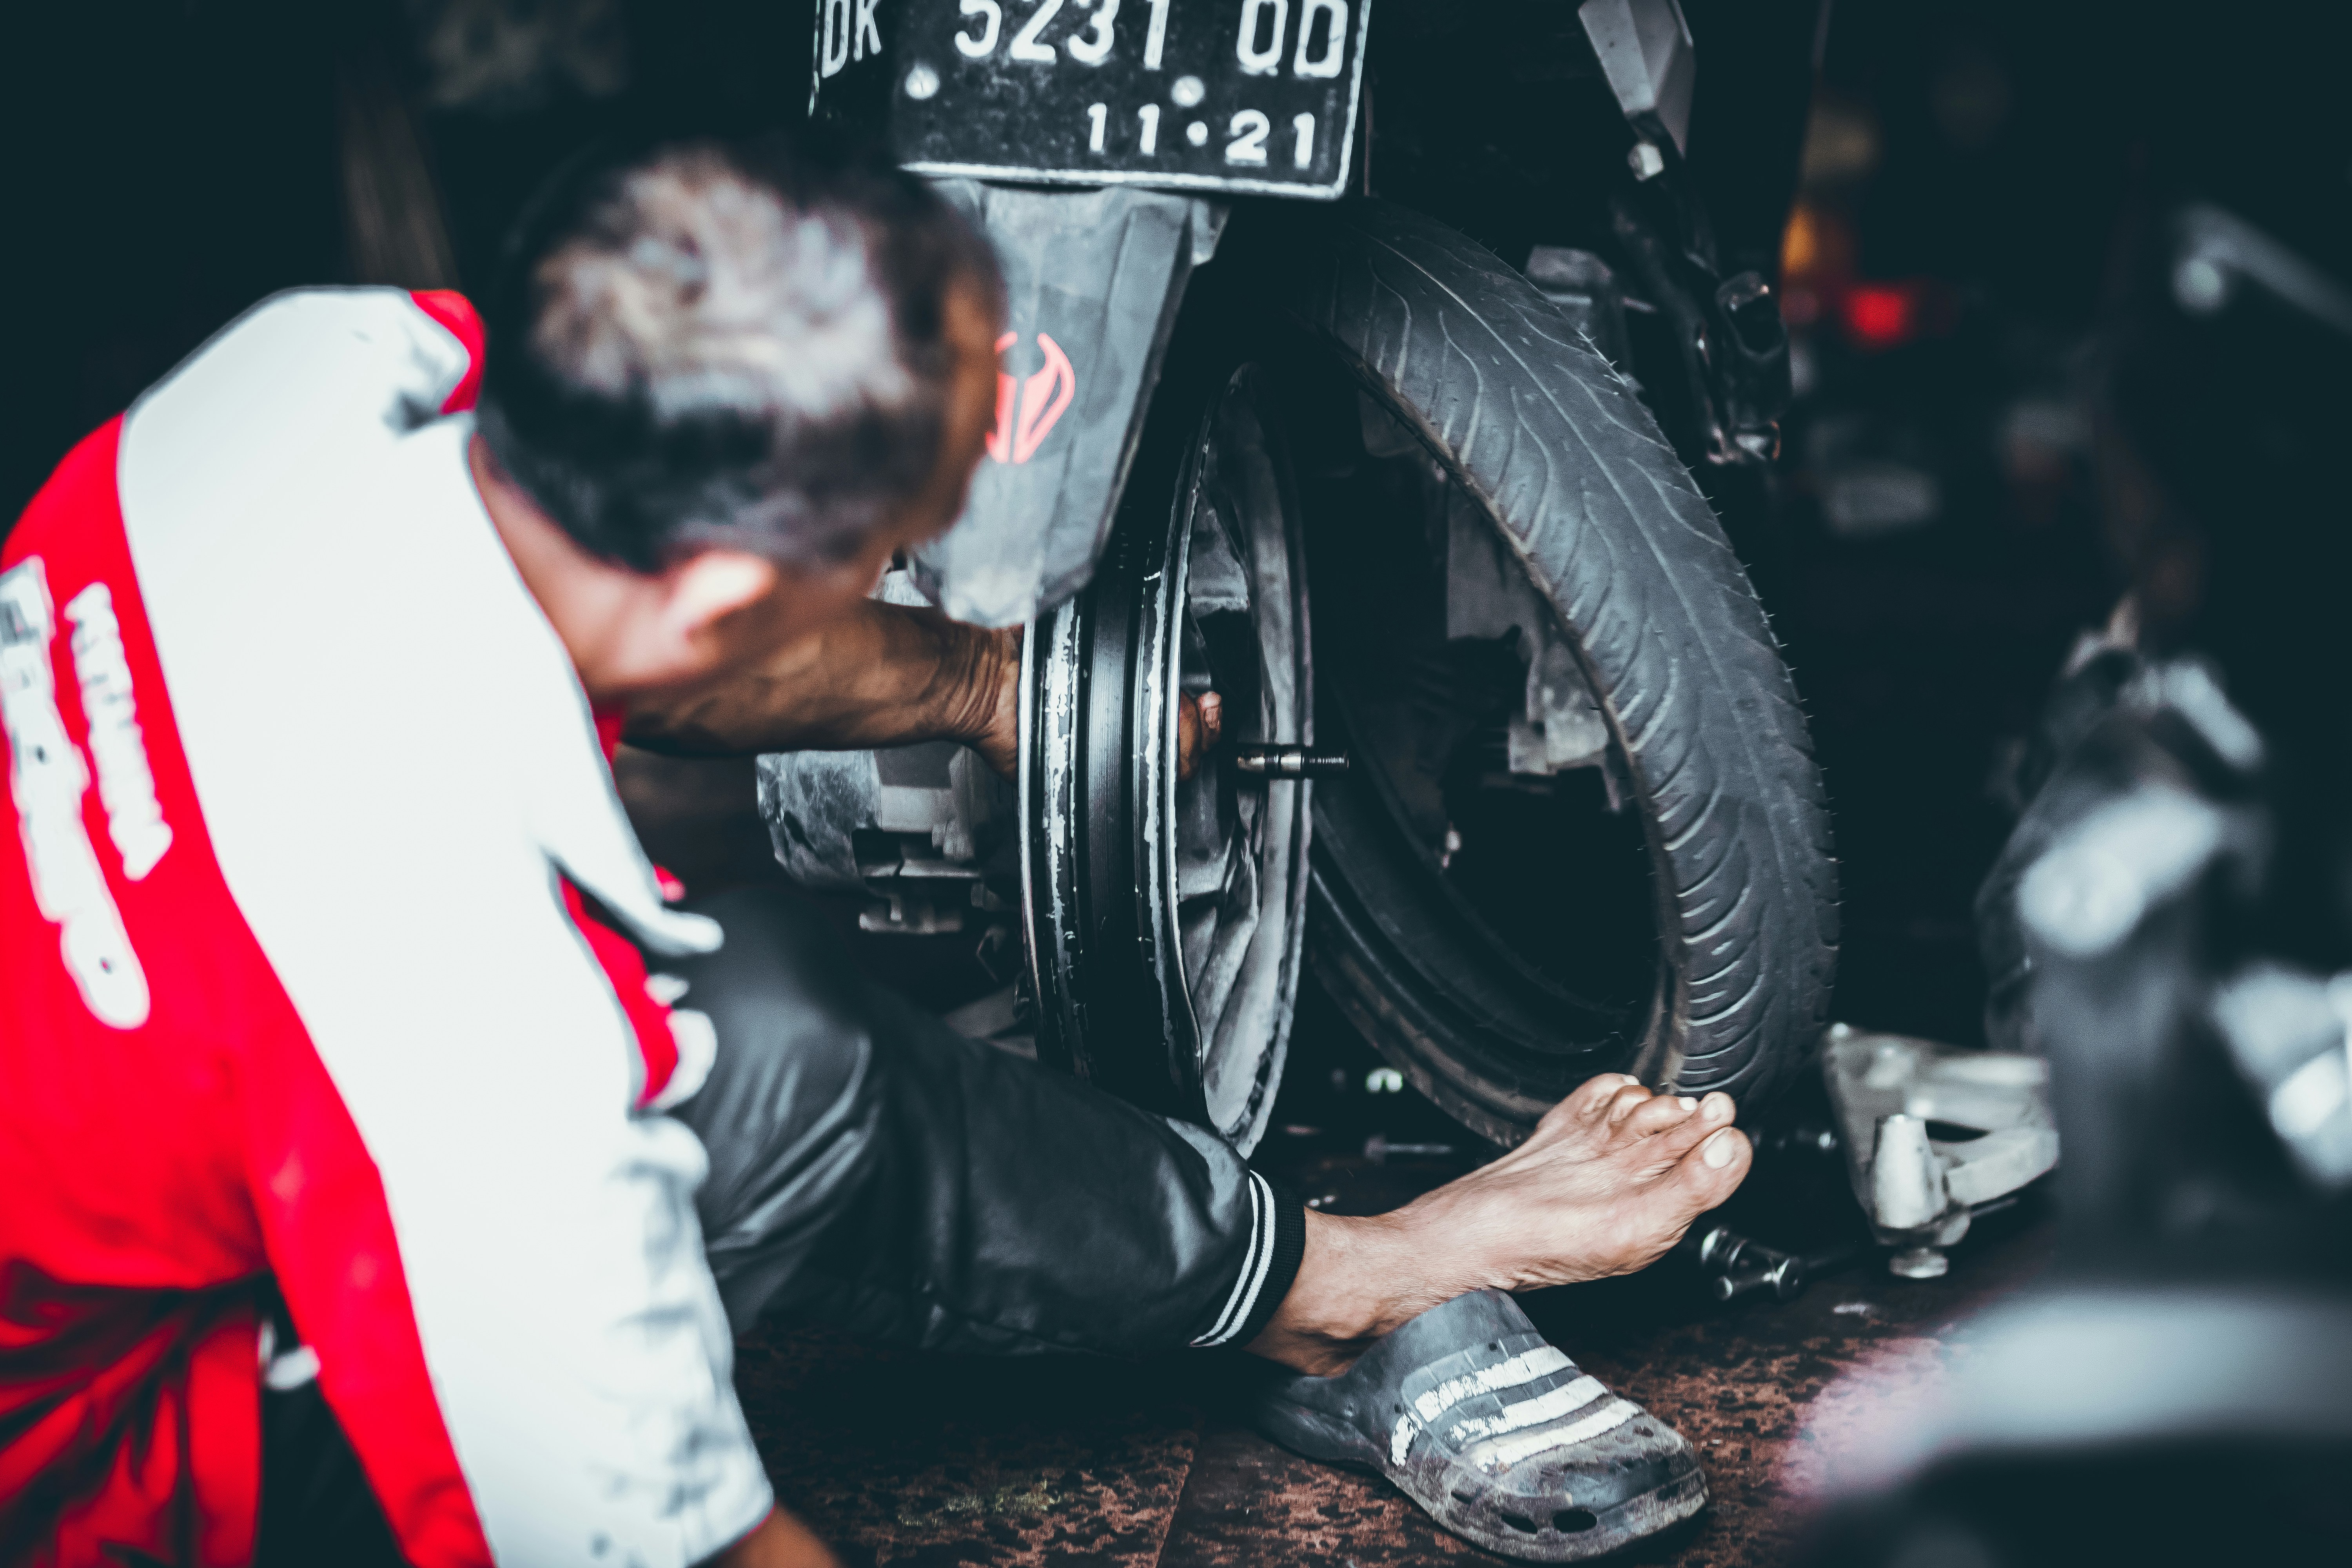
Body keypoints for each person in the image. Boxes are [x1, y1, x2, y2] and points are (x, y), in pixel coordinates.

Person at [0, 132, 1753, 1568]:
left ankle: (1309, 1279)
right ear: (726, 595)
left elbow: (662, 634)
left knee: (761, 1014)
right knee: (754, 1061)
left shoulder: (310, 387)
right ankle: (1348, 1278)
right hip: (97, 1477)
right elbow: (670, 1543)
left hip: (119, 1175)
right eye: (889, 559)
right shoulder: (494, 1059)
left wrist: (1004, 692)